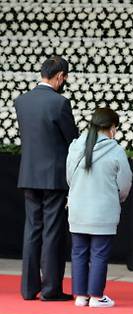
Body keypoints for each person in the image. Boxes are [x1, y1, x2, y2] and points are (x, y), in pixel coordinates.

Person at [15, 56, 79, 301]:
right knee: (52, 231)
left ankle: (28, 288)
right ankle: (51, 289)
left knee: (32, 229)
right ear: (60, 76)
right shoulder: (59, 103)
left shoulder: (22, 101)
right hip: (53, 176)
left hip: (29, 173)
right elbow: (71, 139)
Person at [66, 108, 133, 308]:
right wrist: (118, 198)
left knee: (78, 251)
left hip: (77, 208)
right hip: (103, 211)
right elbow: (125, 182)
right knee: (99, 253)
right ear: (112, 128)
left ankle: (80, 296)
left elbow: (69, 178)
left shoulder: (76, 146)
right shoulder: (116, 150)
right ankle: (96, 296)